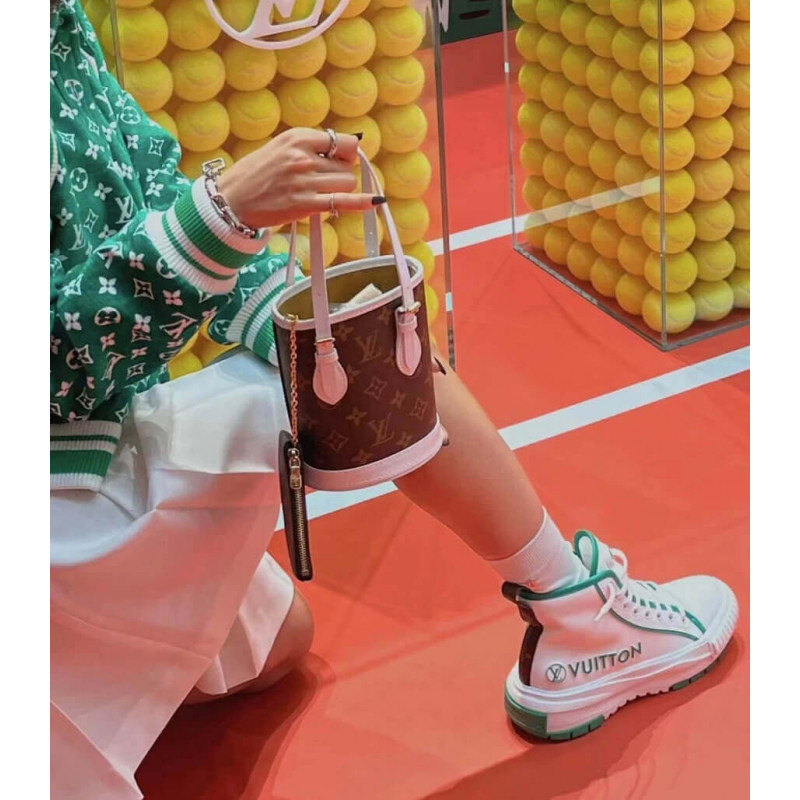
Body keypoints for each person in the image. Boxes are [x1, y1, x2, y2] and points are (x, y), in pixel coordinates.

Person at [50, 1, 738, 797]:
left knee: (276, 648)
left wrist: (296, 311)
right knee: (369, 368)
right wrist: (218, 218)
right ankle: (581, 611)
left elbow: (141, 187)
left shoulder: (57, 23)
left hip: (92, 436)